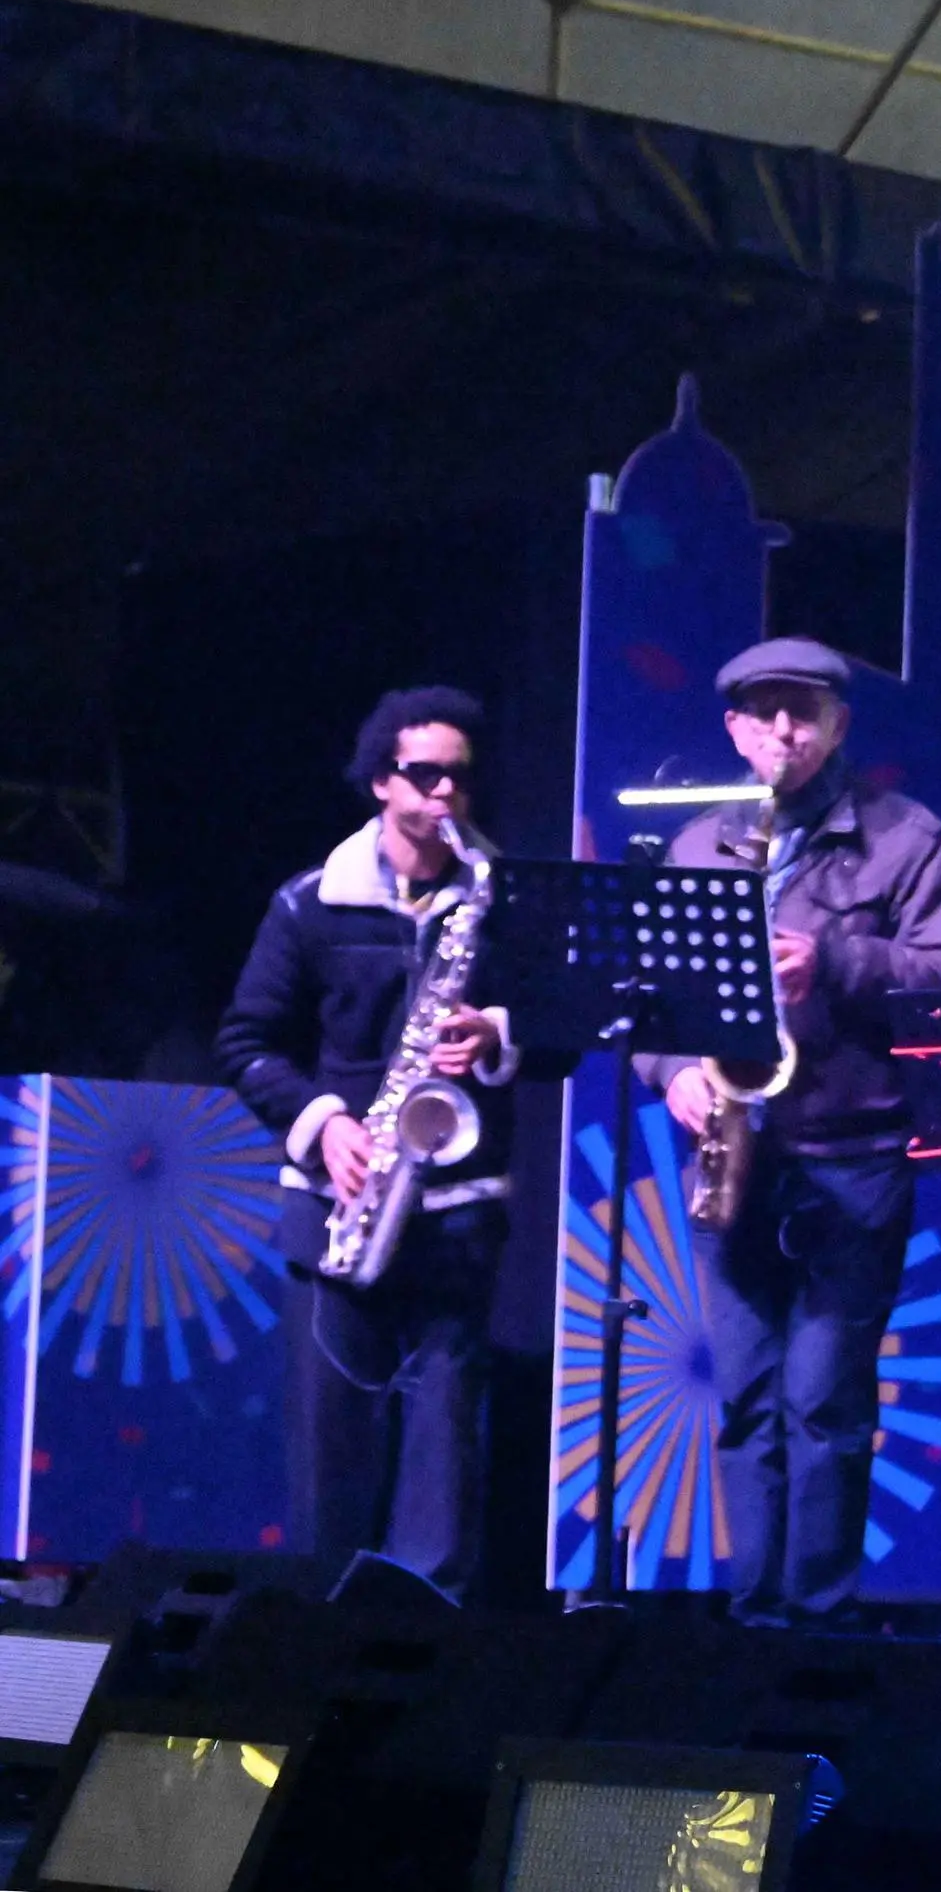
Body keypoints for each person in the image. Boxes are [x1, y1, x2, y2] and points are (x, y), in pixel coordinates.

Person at [639, 638, 941, 1626]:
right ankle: (755, 1618)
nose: (784, 730)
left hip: (854, 1153)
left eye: (805, 711)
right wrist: (673, 1071)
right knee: (745, 1401)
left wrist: (833, 958)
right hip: (735, 1155)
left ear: (839, 724)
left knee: (826, 1402)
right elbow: (650, 998)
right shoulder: (698, 846)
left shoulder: (907, 837)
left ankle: (820, 1618)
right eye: (765, 712)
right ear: (735, 729)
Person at [219, 686, 523, 1600]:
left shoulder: (504, 899)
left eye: (459, 777)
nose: (445, 793)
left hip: (457, 1209)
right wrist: (325, 1125)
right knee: (333, 1459)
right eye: (424, 775)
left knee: (445, 1461)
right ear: (380, 781)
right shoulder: (311, 902)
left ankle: (424, 1637)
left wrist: (499, 1032)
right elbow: (245, 1041)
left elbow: (562, 1035)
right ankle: (322, 1633)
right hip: (338, 1204)